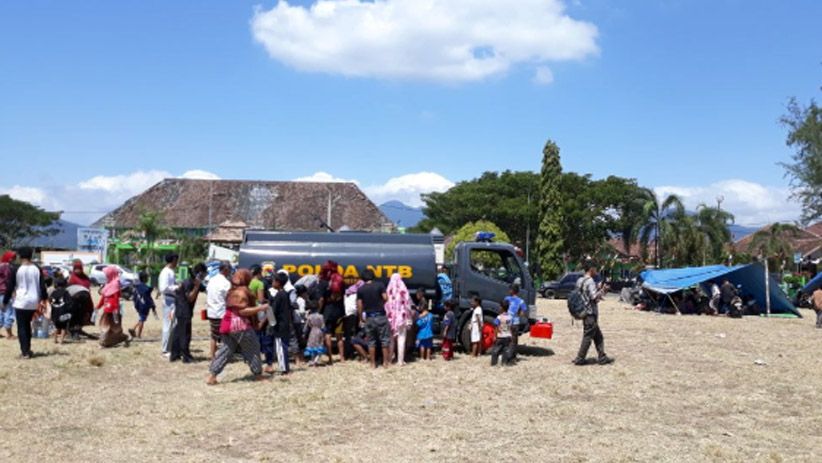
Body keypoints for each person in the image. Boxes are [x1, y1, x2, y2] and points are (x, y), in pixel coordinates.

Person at [206, 269, 269, 385]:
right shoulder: (242, 292)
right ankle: (258, 374)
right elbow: (243, 311)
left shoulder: (231, 290)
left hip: (227, 323)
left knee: (225, 350)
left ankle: (212, 375)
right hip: (239, 325)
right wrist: (260, 308)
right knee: (253, 348)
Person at [3, 247, 47, 358]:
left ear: (20, 256)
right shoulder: (37, 269)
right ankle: (28, 349)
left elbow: (10, 287)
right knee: (27, 325)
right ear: (31, 255)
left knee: (22, 327)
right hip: (33, 301)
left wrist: (5, 301)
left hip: (21, 301)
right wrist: (44, 299)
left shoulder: (16, 269)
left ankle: (25, 352)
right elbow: (42, 286)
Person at [572, 264, 614, 366]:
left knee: (598, 336)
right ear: (591, 269)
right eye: (595, 268)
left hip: (583, 311)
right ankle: (580, 358)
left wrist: (597, 287)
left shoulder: (580, 280)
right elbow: (594, 297)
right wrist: (603, 290)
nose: (597, 270)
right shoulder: (590, 281)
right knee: (588, 336)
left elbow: (584, 294)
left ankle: (602, 357)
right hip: (590, 313)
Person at [170, 263, 205, 363]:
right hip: (183, 310)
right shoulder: (189, 283)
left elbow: (205, 289)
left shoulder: (195, 282)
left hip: (183, 310)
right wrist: (196, 287)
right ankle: (186, 356)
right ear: (199, 274)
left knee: (178, 332)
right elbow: (190, 298)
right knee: (185, 333)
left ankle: (175, 354)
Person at [357, 269, 391, 368]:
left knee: (371, 341)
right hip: (380, 315)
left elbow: (359, 305)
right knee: (384, 340)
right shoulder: (380, 285)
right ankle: (385, 363)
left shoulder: (361, 289)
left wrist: (360, 318)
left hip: (369, 317)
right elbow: (385, 298)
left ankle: (372, 363)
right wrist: (380, 304)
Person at [97, 266, 130, 348]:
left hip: (113, 310)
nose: (105, 276)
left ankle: (105, 343)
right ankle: (108, 342)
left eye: (107, 274)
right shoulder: (108, 284)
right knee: (106, 326)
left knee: (111, 327)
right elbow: (103, 297)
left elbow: (116, 298)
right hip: (107, 309)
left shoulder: (115, 284)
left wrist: (115, 309)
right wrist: (98, 306)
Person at [206, 261, 232, 359]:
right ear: (225, 270)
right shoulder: (226, 283)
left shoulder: (212, 280)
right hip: (221, 312)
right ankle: (224, 355)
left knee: (214, 335)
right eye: (229, 269)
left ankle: (212, 355)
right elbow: (229, 297)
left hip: (211, 311)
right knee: (225, 335)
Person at [385, 273, 412, 366]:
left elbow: (386, 304)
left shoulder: (389, 290)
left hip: (391, 318)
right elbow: (408, 304)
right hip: (402, 317)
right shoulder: (403, 289)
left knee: (391, 340)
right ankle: (400, 361)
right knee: (401, 339)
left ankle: (389, 359)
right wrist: (409, 316)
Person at [270, 272, 293, 374]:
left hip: (280, 325)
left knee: (280, 347)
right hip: (286, 323)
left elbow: (273, 311)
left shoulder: (279, 295)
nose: (272, 282)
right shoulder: (285, 294)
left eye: (274, 280)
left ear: (278, 282)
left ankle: (284, 368)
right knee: (284, 346)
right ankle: (285, 366)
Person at [158, 254, 179, 356]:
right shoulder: (165, 272)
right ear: (173, 260)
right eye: (176, 260)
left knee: (173, 324)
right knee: (167, 325)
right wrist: (176, 287)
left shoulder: (171, 271)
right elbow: (163, 288)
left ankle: (170, 347)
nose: (177, 263)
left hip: (173, 300)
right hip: (168, 301)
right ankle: (165, 349)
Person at [129, 271, 156, 339]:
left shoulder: (137, 286)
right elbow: (148, 298)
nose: (148, 279)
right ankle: (136, 332)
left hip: (138, 304)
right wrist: (152, 306)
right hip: (144, 305)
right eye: (147, 278)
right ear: (144, 279)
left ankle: (135, 330)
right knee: (142, 319)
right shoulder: (146, 288)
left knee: (141, 318)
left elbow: (134, 296)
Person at [49, 278, 73, 344]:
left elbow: (50, 301)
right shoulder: (65, 292)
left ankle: (55, 340)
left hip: (54, 312)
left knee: (56, 326)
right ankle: (61, 341)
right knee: (63, 326)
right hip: (63, 311)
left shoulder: (54, 292)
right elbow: (70, 302)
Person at [490, 301, 514, 366]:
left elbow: (496, 327)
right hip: (508, 336)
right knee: (505, 350)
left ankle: (494, 363)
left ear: (502, 308)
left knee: (496, 350)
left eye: (500, 306)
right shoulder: (510, 317)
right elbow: (511, 327)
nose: (499, 308)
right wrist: (511, 336)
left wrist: (495, 336)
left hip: (500, 336)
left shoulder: (499, 317)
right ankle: (504, 362)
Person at [0, 251, 17, 339]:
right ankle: (9, 334)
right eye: (13, 257)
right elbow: (9, 281)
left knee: (0, 313)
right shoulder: (7, 267)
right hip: (5, 292)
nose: (13, 259)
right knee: (8, 312)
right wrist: (13, 292)